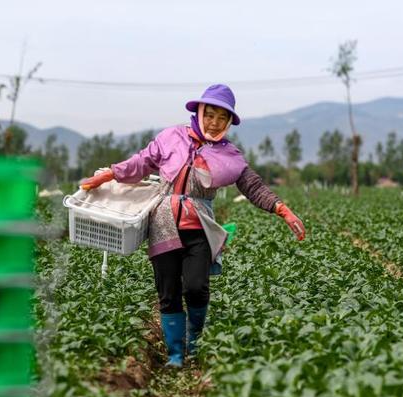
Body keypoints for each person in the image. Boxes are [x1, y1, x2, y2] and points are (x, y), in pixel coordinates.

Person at [80, 84, 306, 368]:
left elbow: (253, 186)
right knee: (168, 292)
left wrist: (282, 209)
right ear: (199, 113)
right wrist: (108, 175)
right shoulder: (170, 138)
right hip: (162, 223)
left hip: (198, 225)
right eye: (209, 115)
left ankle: (195, 342)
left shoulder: (229, 155)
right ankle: (175, 355)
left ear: (228, 123)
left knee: (197, 286)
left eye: (221, 118)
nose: (213, 123)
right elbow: (140, 163)